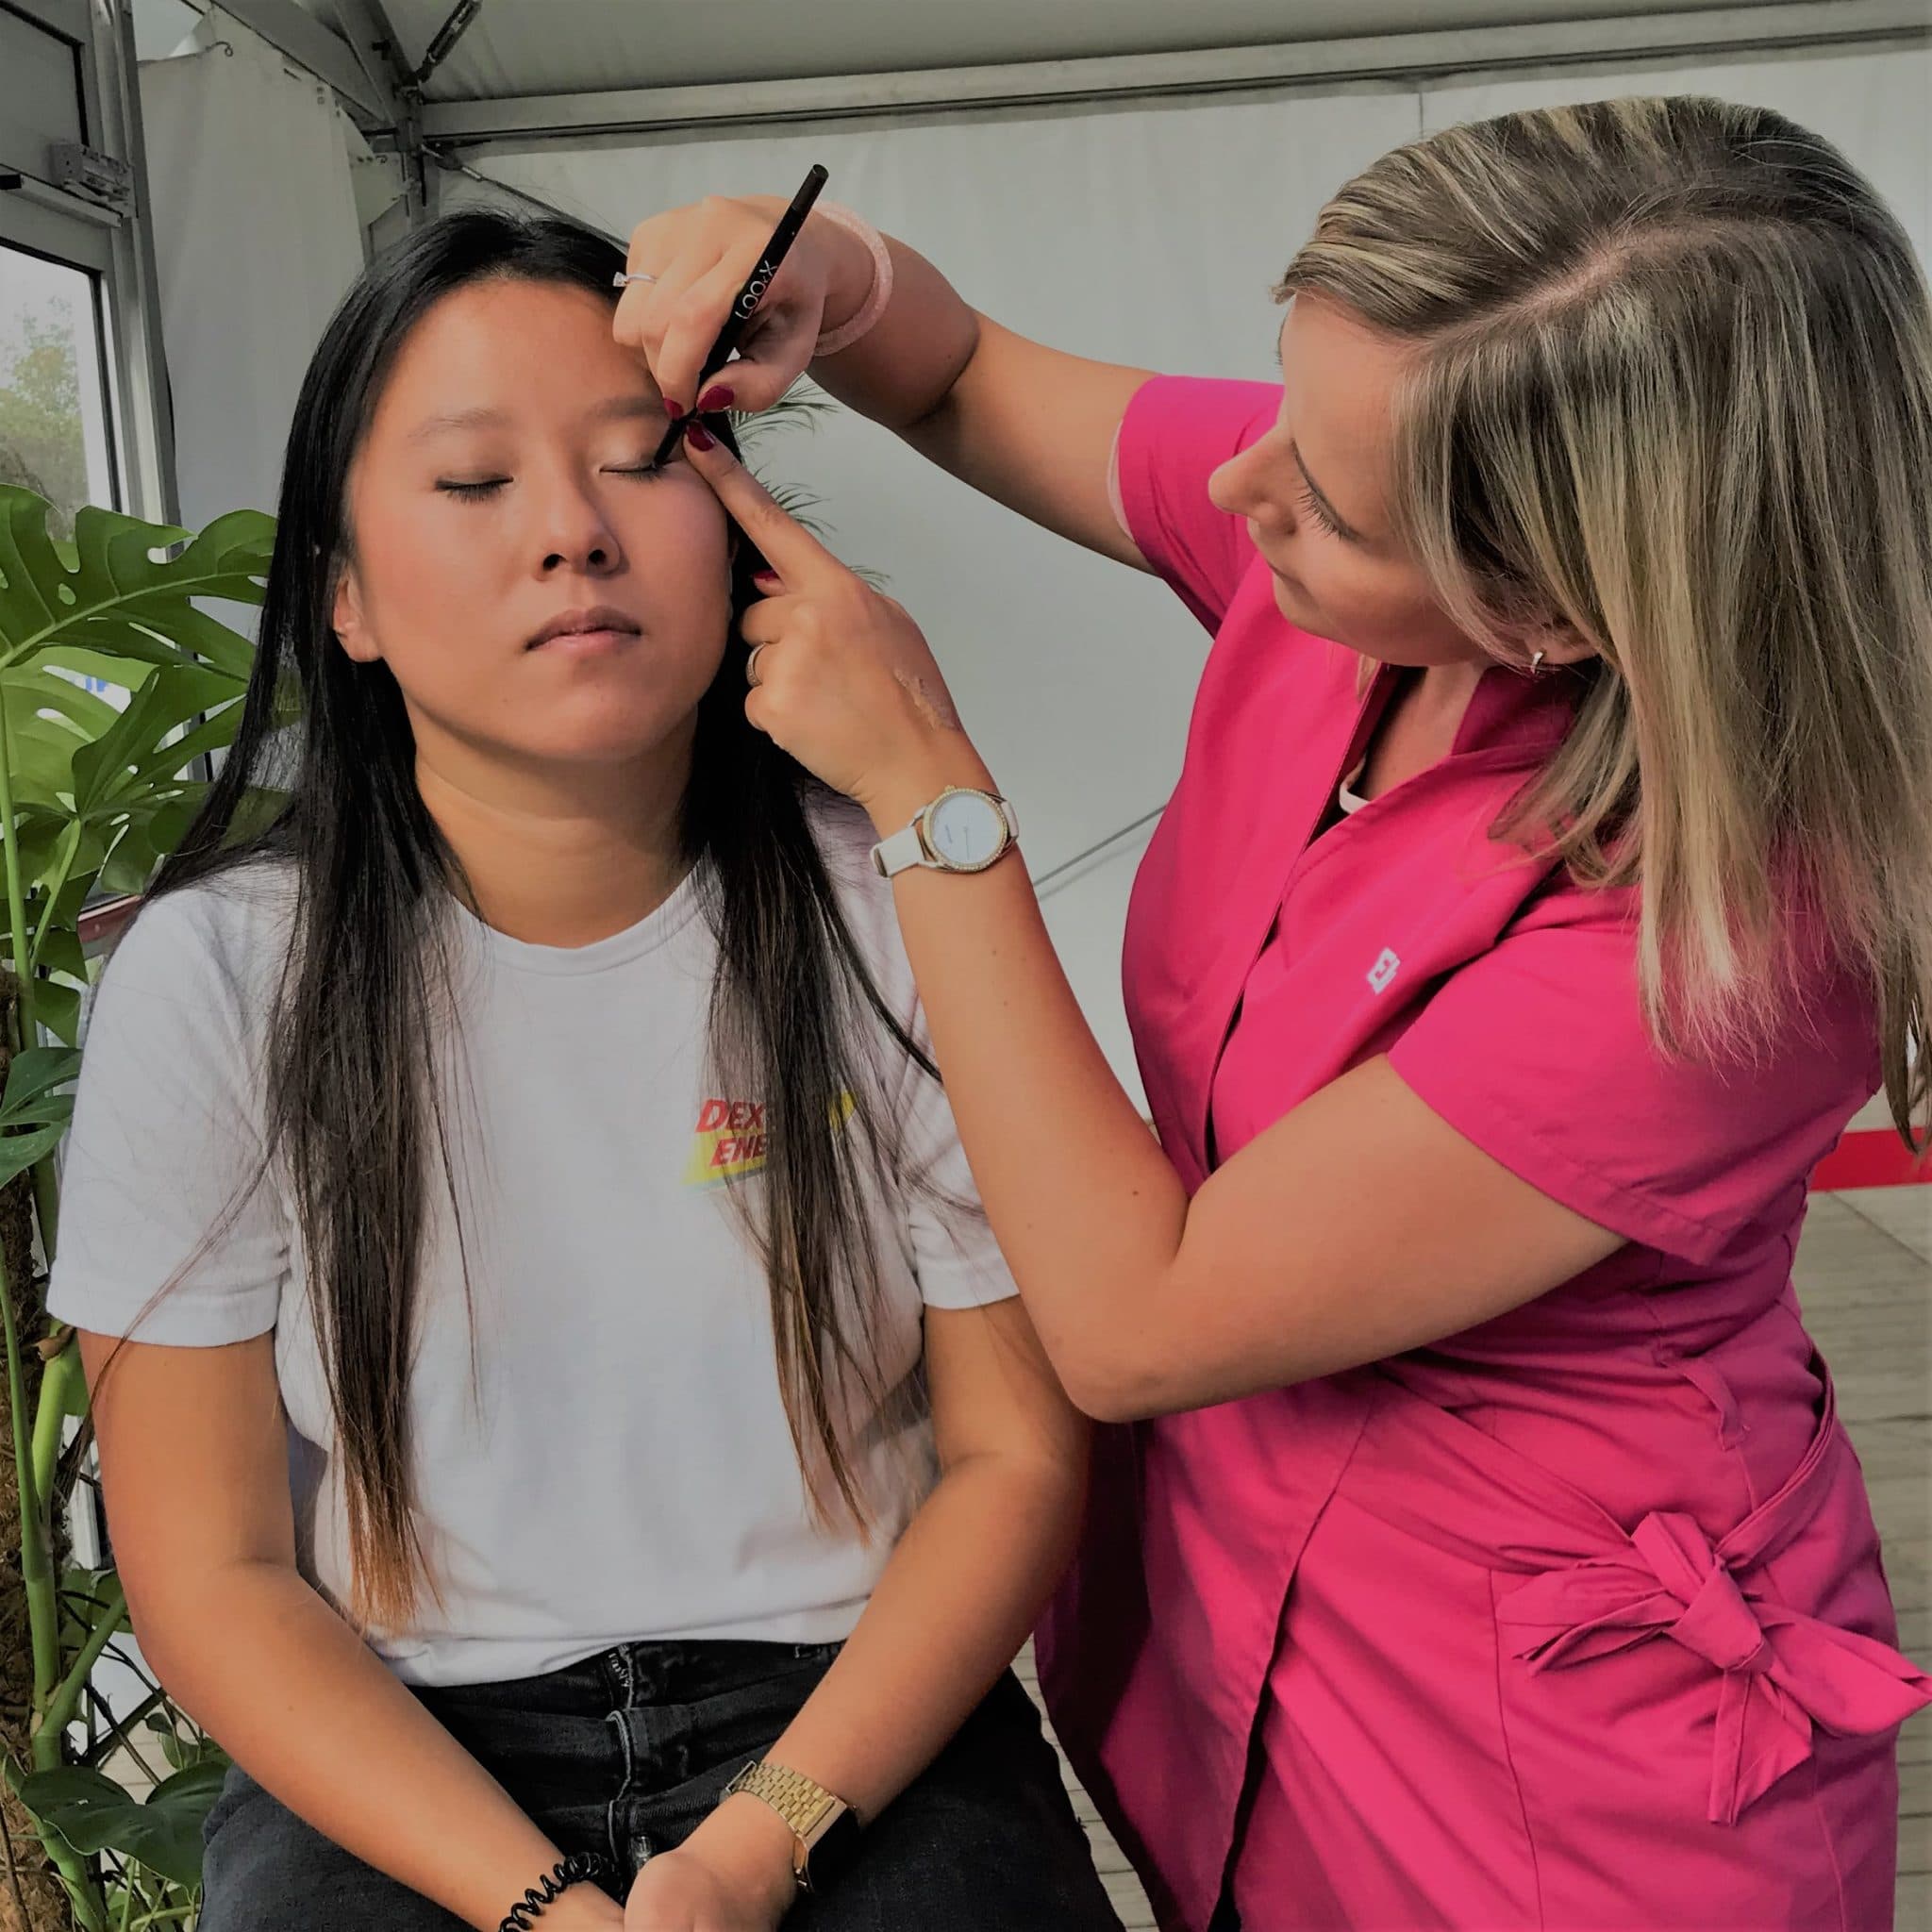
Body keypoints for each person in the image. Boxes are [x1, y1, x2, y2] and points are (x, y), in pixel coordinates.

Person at [623, 96, 1932, 1929]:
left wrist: (929, 791)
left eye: (1323, 500)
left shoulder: (1723, 944)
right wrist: (837, 277)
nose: (1241, 489)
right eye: (1282, 409)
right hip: (1232, 1628)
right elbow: (966, 371)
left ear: (1562, 611)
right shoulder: (1369, 492)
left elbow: (1132, 1324)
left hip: (1559, 1785)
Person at [49, 208, 1123, 1932]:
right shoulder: (223, 974)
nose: (573, 532)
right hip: (406, 1747)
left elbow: (1016, 1457)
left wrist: (754, 1848)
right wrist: (541, 1904)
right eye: (475, 484)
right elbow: (211, 1568)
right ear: (343, 598)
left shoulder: (899, 900)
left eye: (641, 460)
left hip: (844, 1721)